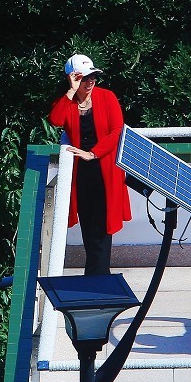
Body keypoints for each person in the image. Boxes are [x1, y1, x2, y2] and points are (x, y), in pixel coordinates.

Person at [48, 54, 132, 275]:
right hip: (81, 173)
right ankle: (96, 276)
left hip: (105, 169)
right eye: (84, 77)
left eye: (93, 76)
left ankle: (97, 277)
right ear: (72, 78)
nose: (90, 81)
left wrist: (93, 153)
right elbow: (55, 120)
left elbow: (117, 131)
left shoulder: (107, 97)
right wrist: (71, 90)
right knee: (88, 226)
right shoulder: (68, 102)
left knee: (102, 227)